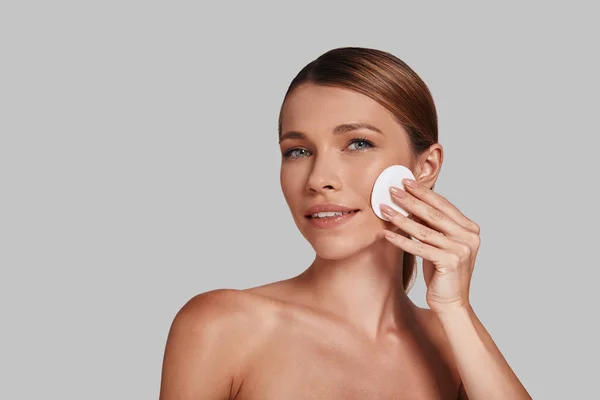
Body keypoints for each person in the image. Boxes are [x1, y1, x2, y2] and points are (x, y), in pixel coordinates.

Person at [159, 47, 531, 399]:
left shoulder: (453, 345)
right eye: (298, 151)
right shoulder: (224, 326)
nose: (319, 178)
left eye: (358, 144)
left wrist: (455, 308)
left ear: (425, 167)